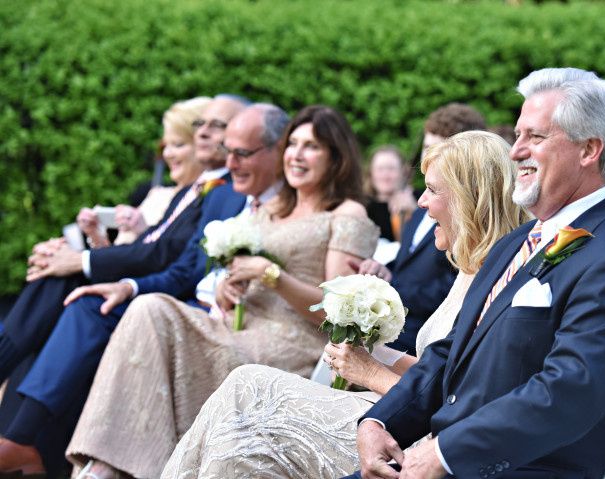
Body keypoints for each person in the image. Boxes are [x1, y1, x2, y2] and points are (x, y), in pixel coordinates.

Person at [353, 67, 605, 479]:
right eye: (518, 135)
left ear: (589, 150)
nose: (515, 151)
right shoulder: (515, 244)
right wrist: (380, 422)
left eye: (535, 137)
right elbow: (451, 354)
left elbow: (566, 393)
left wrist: (446, 453)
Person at [160, 130, 527, 479]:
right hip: (398, 412)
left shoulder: (505, 278)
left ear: (469, 199)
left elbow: (464, 400)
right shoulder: (472, 269)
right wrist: (379, 355)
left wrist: (370, 372)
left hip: (416, 439)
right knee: (242, 405)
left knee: (248, 391)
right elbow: (443, 375)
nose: (421, 201)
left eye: (432, 190)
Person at [64, 105, 380, 478]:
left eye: (311, 146)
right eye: (292, 144)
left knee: (159, 321)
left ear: (336, 157)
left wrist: (272, 275)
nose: (296, 154)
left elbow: (337, 315)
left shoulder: (346, 214)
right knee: (150, 308)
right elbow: (238, 292)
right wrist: (230, 291)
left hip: (292, 346)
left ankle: (114, 471)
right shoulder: (273, 206)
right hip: (238, 330)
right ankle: (104, 464)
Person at [0, 97, 250, 475]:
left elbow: (169, 258)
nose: (203, 133)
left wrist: (90, 261)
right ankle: (18, 440)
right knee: (64, 284)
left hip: (184, 305)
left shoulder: (227, 192)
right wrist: (93, 247)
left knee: (76, 290)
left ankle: (20, 439)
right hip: (158, 284)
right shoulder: (197, 191)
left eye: (216, 127)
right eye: (200, 124)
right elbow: (158, 249)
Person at [360, 103, 487, 356]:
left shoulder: (473, 220)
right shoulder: (420, 207)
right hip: (391, 330)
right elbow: (409, 261)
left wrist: (393, 289)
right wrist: (385, 271)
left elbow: (456, 286)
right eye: (426, 147)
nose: (426, 156)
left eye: (436, 148)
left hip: (424, 342)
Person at [77, 96, 212, 248]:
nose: (167, 154)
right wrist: (96, 236)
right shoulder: (156, 196)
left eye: (178, 144)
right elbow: (120, 260)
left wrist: (143, 230)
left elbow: (180, 262)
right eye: (165, 145)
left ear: (204, 146)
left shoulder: (209, 200)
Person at [364, 146, 416, 241]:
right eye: (380, 169)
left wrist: (415, 211)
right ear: (371, 173)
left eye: (391, 169)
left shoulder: (420, 198)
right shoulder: (364, 206)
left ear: (403, 172)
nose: (385, 175)